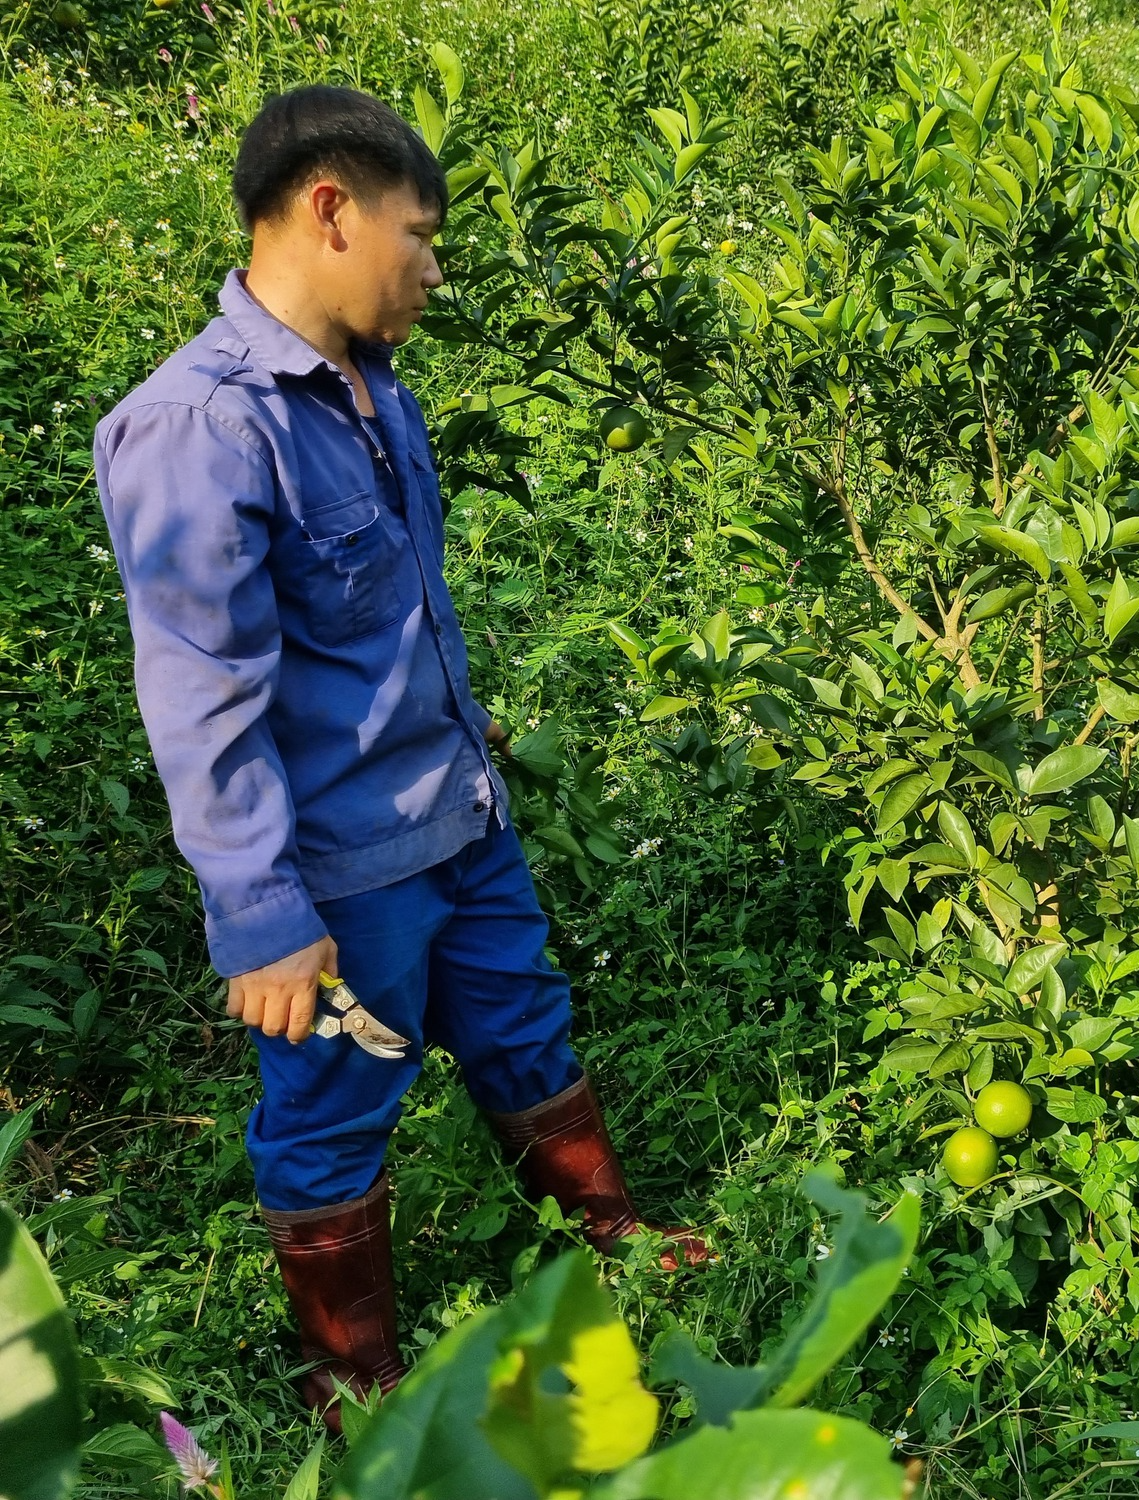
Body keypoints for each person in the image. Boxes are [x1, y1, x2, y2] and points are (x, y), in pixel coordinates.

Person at [93, 86, 707, 1431]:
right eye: (418, 236)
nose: (433, 269)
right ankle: (351, 1378)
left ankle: (613, 1244)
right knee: (330, 1109)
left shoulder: (377, 397)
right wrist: (259, 917)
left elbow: (387, 620)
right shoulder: (204, 428)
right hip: (344, 868)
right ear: (330, 210)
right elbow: (202, 700)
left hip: (458, 816)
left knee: (523, 1023)